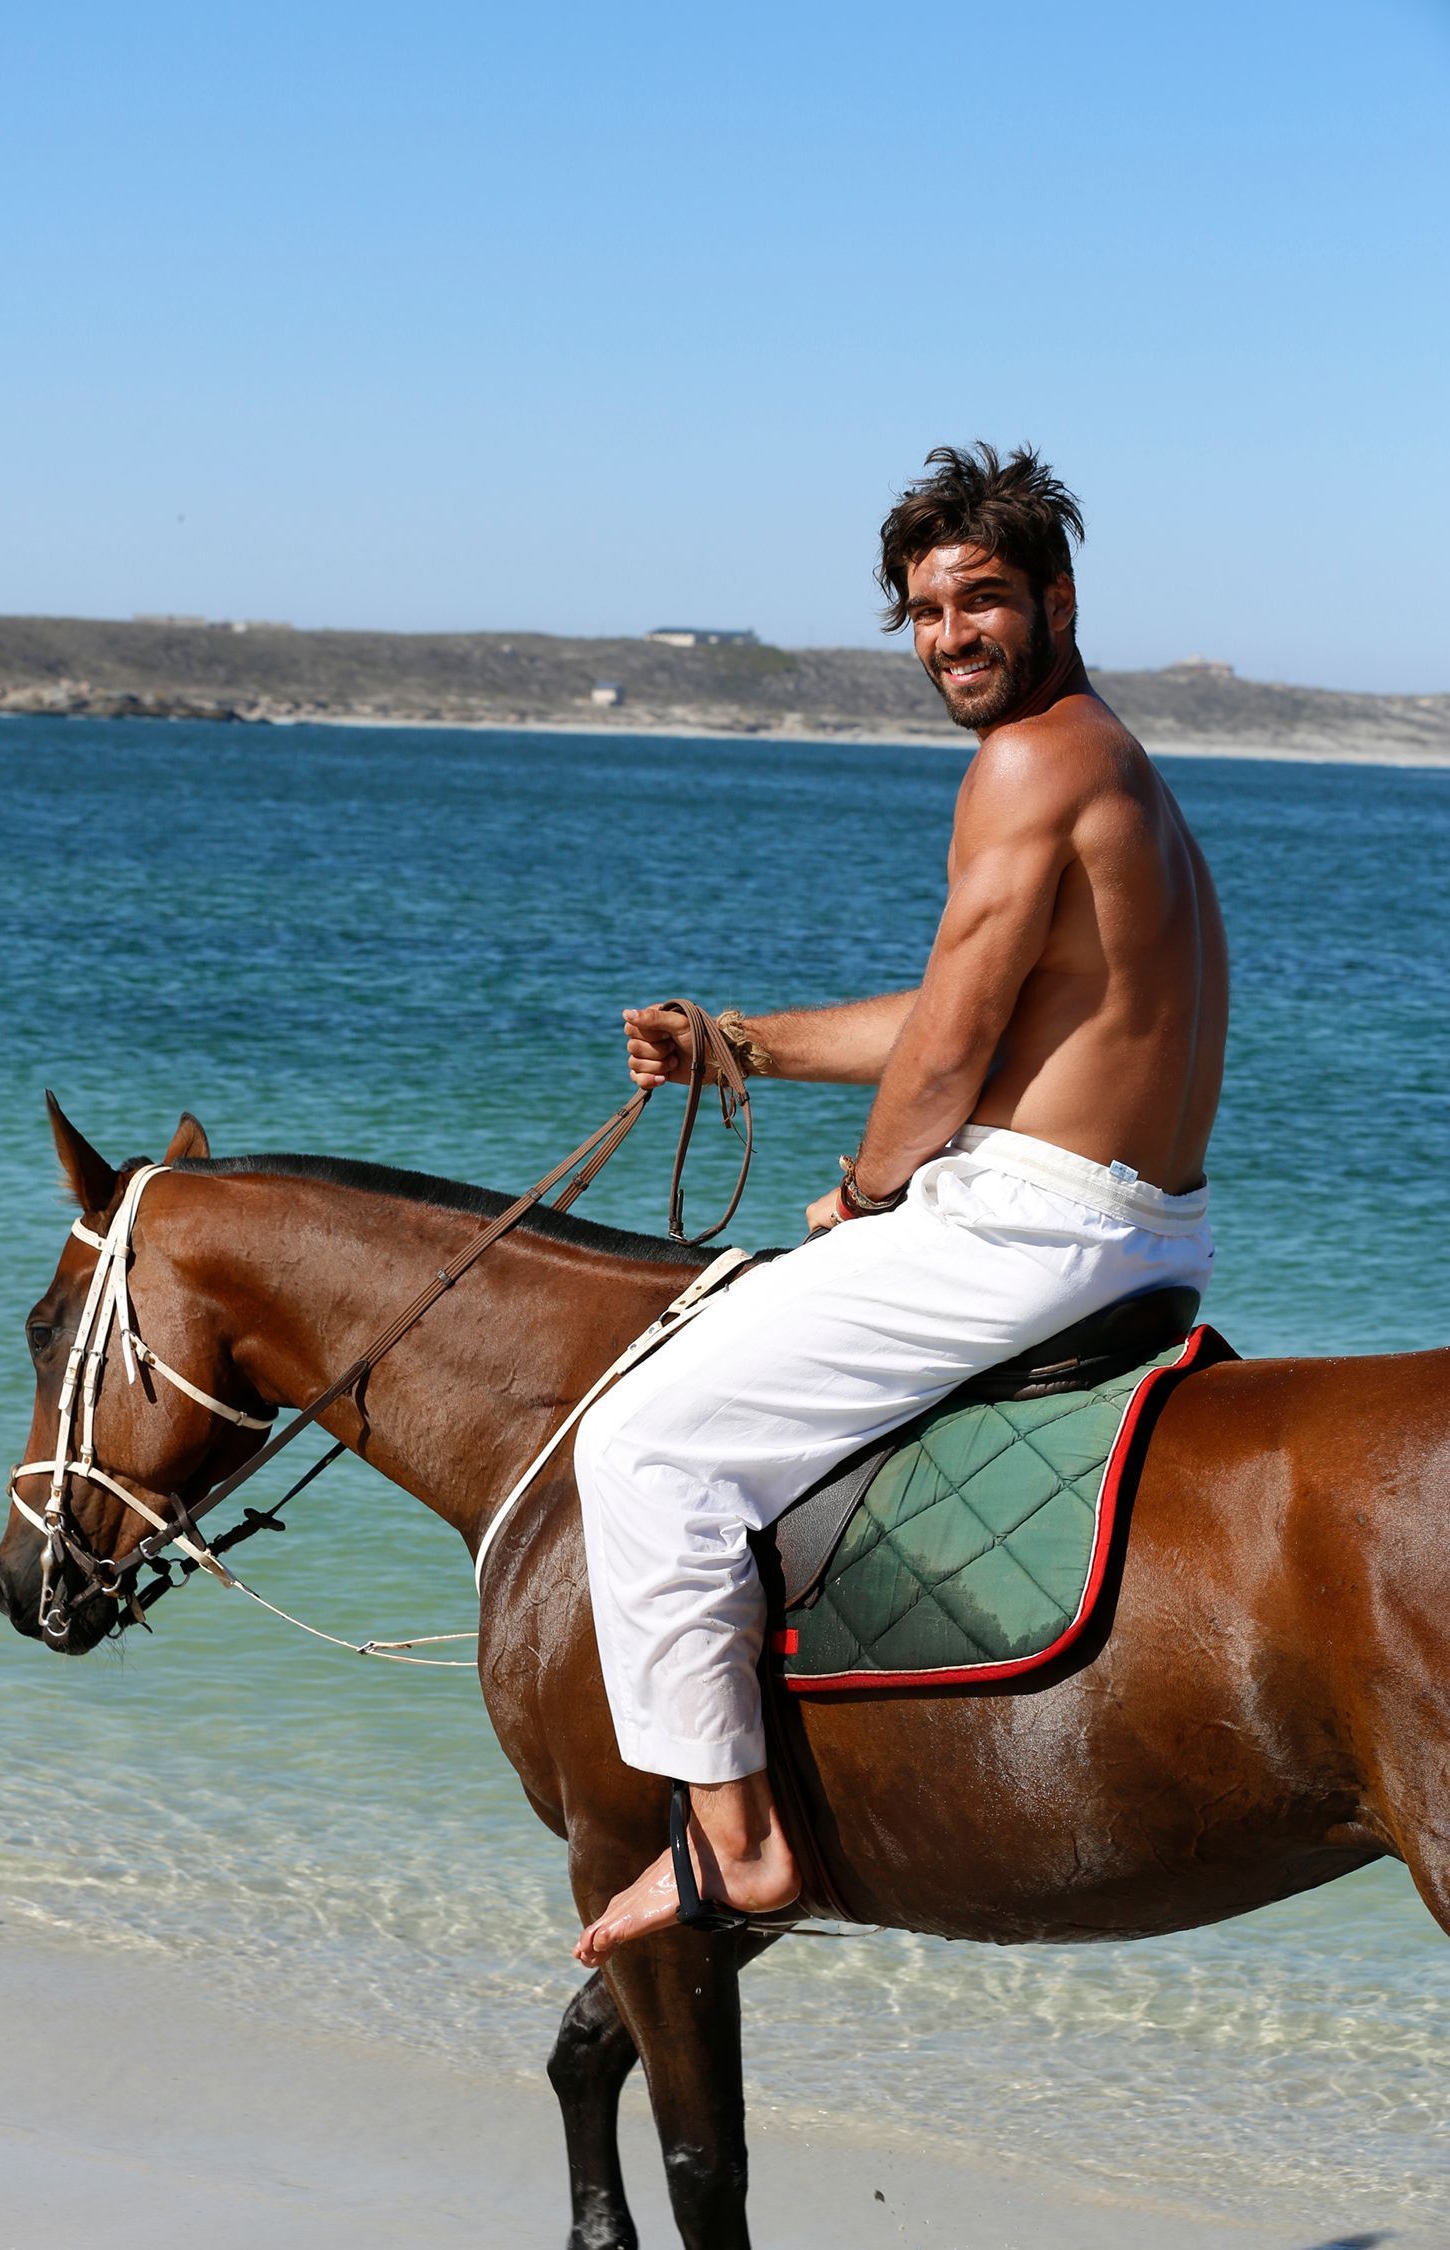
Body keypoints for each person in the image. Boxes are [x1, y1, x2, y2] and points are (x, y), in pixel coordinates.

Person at [572, 442, 1228, 1967]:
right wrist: (742, 1046)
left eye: (983, 601)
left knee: (642, 1443)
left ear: (1058, 600)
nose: (952, 637)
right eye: (928, 614)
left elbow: (944, 1060)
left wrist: (866, 1194)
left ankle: (735, 1846)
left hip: (1032, 1223)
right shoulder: (1112, 766)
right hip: (1133, 1220)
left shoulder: (1030, 762)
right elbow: (973, 1006)